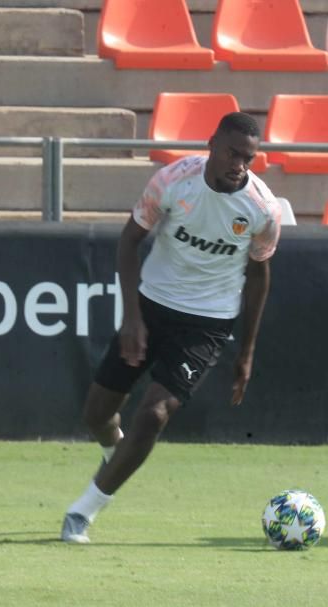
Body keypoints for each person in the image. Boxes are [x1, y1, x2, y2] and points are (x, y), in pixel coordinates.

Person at [61, 112, 281, 543]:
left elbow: (259, 275)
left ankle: (82, 513)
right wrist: (133, 318)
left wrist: (247, 351)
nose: (239, 163)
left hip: (208, 323)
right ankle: (117, 454)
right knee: (96, 414)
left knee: (155, 413)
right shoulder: (172, 181)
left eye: (248, 158)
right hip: (153, 305)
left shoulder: (261, 209)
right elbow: (129, 241)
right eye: (232, 152)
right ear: (211, 144)